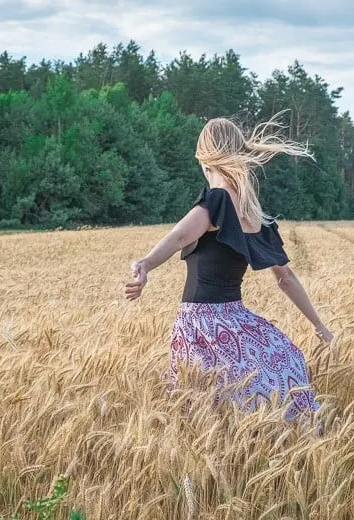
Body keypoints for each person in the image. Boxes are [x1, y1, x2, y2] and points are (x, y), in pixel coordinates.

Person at [124, 113, 336, 422]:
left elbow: (181, 235)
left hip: (201, 326)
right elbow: (286, 279)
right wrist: (320, 327)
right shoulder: (256, 215)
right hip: (238, 323)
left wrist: (145, 263)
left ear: (204, 159)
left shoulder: (217, 200)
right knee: (276, 377)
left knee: (202, 412)